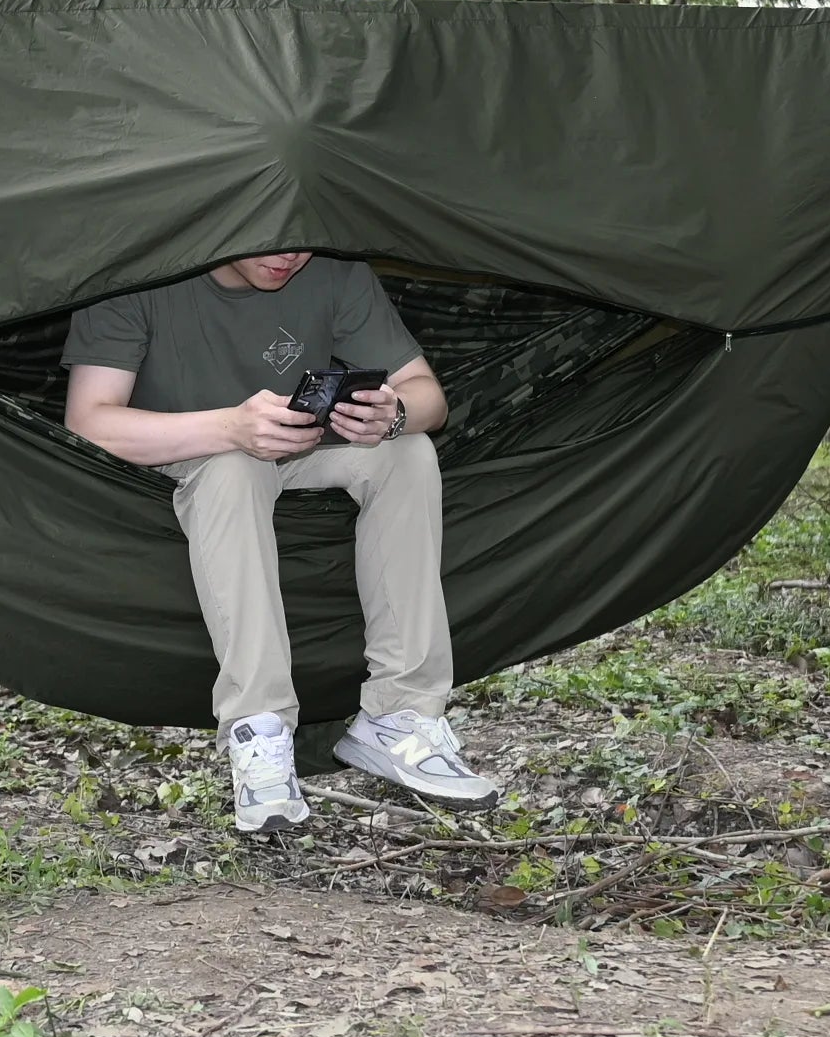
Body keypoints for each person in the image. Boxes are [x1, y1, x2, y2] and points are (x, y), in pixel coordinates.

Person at [62, 249, 501, 833]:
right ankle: (258, 729)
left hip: (302, 450)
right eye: (272, 238)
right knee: (232, 468)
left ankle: (401, 716)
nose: (289, 256)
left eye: (302, 238)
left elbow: (429, 398)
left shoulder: (333, 271)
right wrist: (229, 427)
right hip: (183, 455)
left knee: (409, 451)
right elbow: (89, 422)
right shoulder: (137, 271)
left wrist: (392, 415)